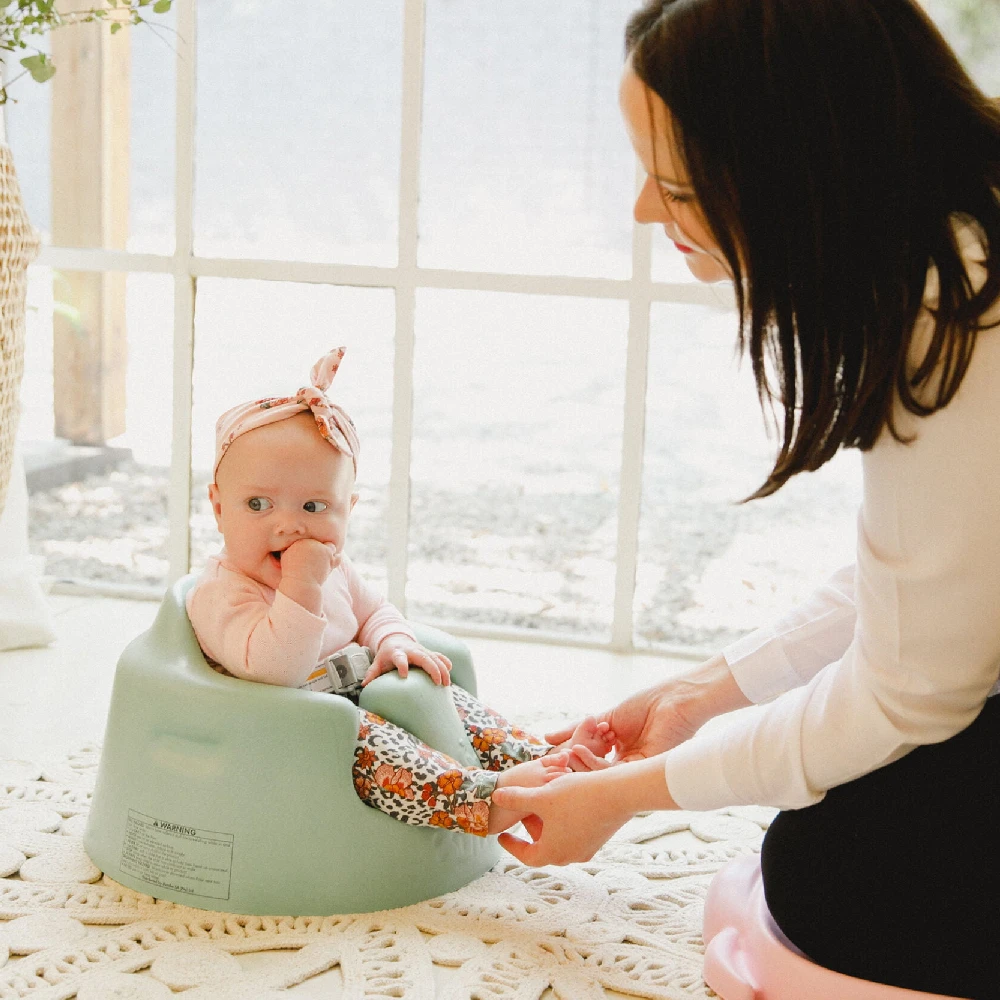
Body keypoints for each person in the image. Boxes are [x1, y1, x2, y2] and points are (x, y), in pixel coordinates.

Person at [492, 1, 1000, 995]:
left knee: (834, 875)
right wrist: (701, 696)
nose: (643, 209)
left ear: (795, 175)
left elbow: (910, 690)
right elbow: (944, 567)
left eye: (674, 185)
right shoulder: (959, 217)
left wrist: (626, 796)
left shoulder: (953, 307)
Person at [187, 347, 615, 838]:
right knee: (389, 757)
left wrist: (393, 640)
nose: (289, 525)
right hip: (294, 734)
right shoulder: (224, 592)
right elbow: (276, 669)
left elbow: (374, 611)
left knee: (444, 698)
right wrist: (301, 586)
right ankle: (485, 801)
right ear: (219, 509)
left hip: (360, 701)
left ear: (348, 508)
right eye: (258, 504)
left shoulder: (335, 568)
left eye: (313, 505)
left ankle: (548, 762)